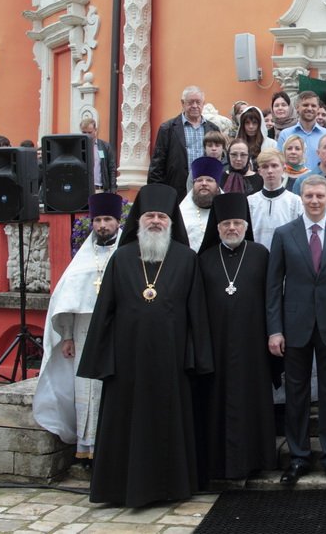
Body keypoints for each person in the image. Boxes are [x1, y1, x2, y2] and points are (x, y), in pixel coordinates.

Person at [77, 183, 213, 508]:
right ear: (139, 220)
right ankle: (119, 488)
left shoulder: (186, 259)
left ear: (171, 222)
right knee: (126, 423)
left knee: (168, 424)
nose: (155, 221)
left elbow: (197, 313)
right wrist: (102, 357)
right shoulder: (122, 257)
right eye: (150, 215)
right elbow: (105, 311)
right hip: (127, 361)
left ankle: (170, 487)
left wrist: (197, 357)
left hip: (172, 360)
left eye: (162, 217)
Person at [266, 175, 326, 487]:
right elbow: (273, 286)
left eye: (320, 196)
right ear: (301, 198)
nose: (315, 201)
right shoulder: (284, 234)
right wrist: (275, 330)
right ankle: (298, 456)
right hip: (295, 325)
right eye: (309, 196)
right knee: (296, 393)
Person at [33, 193, 122, 464]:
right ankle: (87, 447)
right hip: (83, 332)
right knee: (85, 388)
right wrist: (68, 336)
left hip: (116, 331)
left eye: (107, 220)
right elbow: (67, 300)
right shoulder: (82, 258)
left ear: (118, 222)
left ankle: (112, 446)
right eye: (98, 220)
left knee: (111, 388)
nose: (102, 225)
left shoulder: (125, 254)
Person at [195, 193, 277, 480]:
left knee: (252, 402)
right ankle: (218, 464)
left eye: (237, 223)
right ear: (217, 227)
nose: (232, 228)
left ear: (246, 225)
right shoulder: (204, 260)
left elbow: (272, 299)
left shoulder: (261, 255)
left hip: (253, 347)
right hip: (216, 347)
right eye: (226, 223)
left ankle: (256, 461)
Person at [148, 85, 221, 202]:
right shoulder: (168, 129)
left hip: (206, 191)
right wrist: (155, 194)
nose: (195, 106)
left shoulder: (213, 129)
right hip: (175, 191)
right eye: (190, 102)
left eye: (198, 102)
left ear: (203, 103)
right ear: (183, 103)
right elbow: (157, 165)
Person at [247, 150, 302, 248]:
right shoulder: (250, 201)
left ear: (283, 169)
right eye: (265, 166)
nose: (270, 171)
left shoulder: (295, 201)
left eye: (274, 166)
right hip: (257, 255)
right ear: (259, 171)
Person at [277, 91, 326, 171]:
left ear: (318, 108)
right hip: (292, 178)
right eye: (305, 105)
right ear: (297, 107)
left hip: (320, 178)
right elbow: (280, 162)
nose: (309, 108)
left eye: (313, 106)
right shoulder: (285, 134)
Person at [179, 156, 222, 252]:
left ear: (217, 186)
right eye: (199, 180)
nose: (204, 183)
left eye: (209, 180)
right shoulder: (183, 212)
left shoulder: (226, 210)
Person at [80, 118, 116, 192]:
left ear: (95, 130)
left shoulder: (105, 146)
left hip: (100, 189)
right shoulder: (79, 147)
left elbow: (111, 168)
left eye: (89, 132)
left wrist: (113, 188)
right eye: (84, 132)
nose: (87, 135)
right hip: (83, 190)